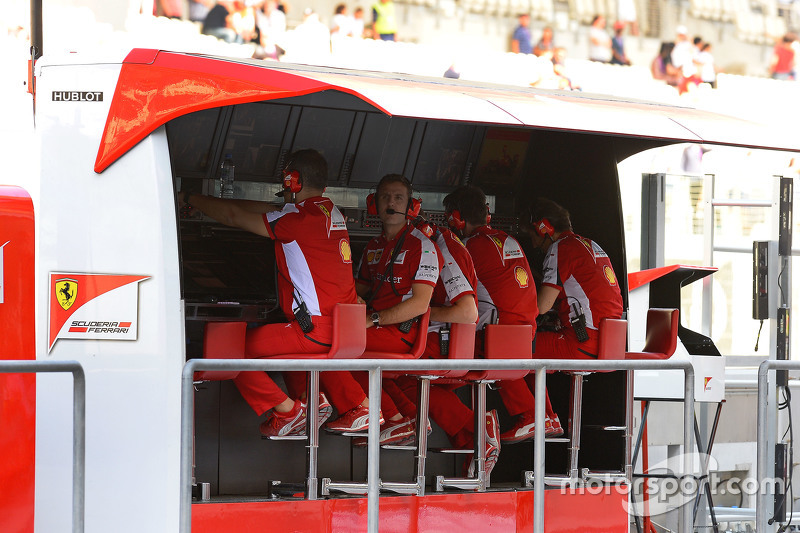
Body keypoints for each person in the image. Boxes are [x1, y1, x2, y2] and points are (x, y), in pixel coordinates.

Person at [177, 149, 359, 437]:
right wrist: (212, 201)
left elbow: (235, 216)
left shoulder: (296, 219)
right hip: (343, 328)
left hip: (314, 330)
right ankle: (313, 401)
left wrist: (188, 199)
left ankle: (289, 410)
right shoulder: (330, 211)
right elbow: (260, 207)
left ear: (292, 180)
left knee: (229, 354)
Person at [380, 214, 501, 476]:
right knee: (402, 374)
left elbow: (468, 312)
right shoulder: (441, 241)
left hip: (445, 343)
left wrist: (415, 311)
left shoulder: (440, 248)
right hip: (443, 341)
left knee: (393, 369)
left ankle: (470, 428)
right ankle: (473, 435)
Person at [441, 186, 559, 445]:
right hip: (526, 330)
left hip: (497, 337)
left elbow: (446, 292)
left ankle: (525, 416)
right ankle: (548, 416)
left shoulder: (467, 247)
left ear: (456, 218)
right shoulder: (510, 240)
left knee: (433, 373)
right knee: (512, 361)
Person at [337, 175, 442, 442]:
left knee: (340, 346)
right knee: (338, 340)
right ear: (374, 203)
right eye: (385, 197)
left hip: (403, 333)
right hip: (376, 328)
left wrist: (373, 319)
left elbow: (420, 304)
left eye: (398, 197)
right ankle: (408, 418)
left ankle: (391, 419)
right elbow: (358, 289)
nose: (391, 203)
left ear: (412, 206)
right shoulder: (373, 246)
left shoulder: (422, 245)